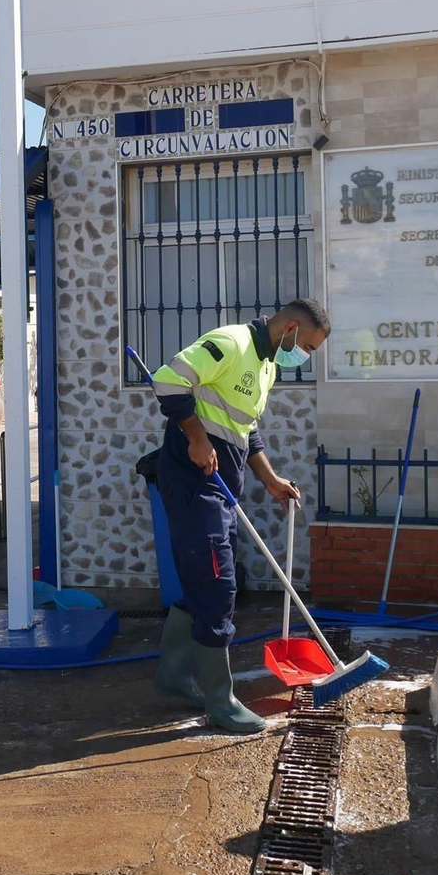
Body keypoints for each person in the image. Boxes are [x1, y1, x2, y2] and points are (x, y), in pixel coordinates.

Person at [149, 300, 329, 733]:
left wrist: (269, 479)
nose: (304, 354)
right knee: (218, 584)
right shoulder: (231, 342)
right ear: (289, 327)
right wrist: (195, 438)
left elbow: (245, 430)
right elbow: (168, 380)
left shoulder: (267, 366)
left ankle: (174, 676)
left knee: (203, 583)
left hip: (221, 490)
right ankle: (220, 702)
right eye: (305, 345)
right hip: (193, 484)